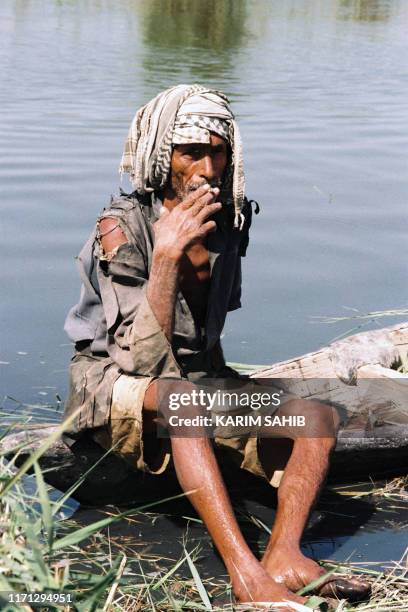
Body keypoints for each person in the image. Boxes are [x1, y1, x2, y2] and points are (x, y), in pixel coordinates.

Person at [63, 84, 370, 609]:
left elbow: (207, 342)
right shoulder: (121, 227)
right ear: (165, 157)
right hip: (113, 383)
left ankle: (285, 557)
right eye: (191, 153)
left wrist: (237, 400)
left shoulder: (229, 223)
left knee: (317, 420)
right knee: (183, 403)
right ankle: (244, 576)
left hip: (199, 384)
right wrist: (165, 258)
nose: (207, 167)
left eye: (217, 151)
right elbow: (138, 360)